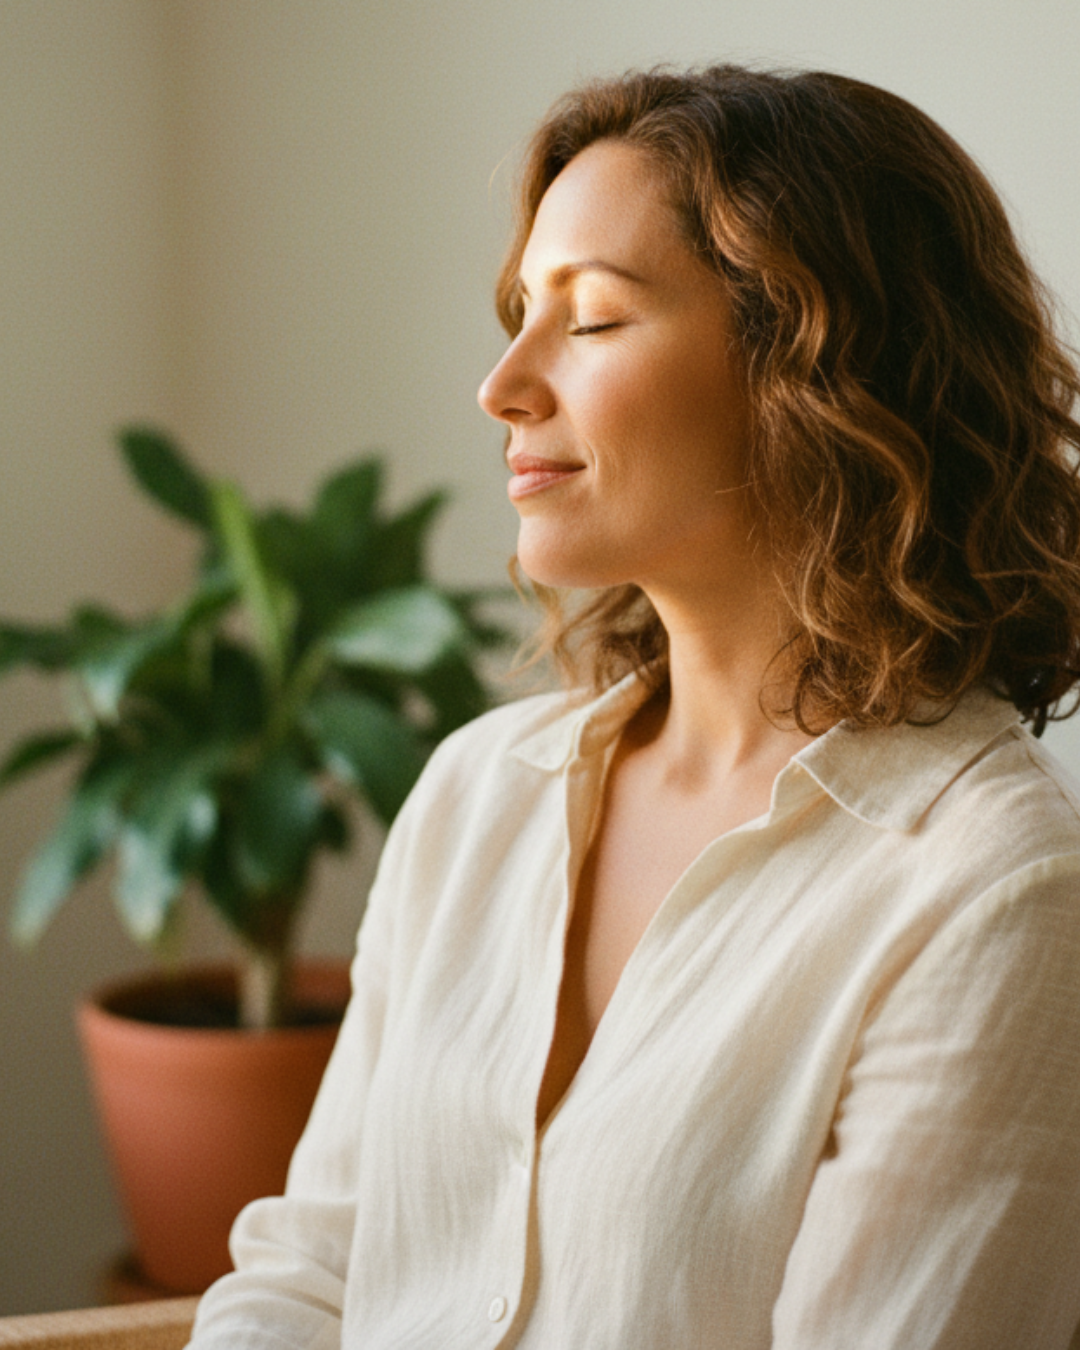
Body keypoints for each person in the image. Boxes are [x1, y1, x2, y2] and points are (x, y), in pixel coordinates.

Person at [187, 65, 1080, 1349]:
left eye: (592, 321)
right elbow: (312, 1277)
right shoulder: (476, 791)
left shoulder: (995, 892)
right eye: (518, 313)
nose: (502, 386)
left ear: (818, 377)